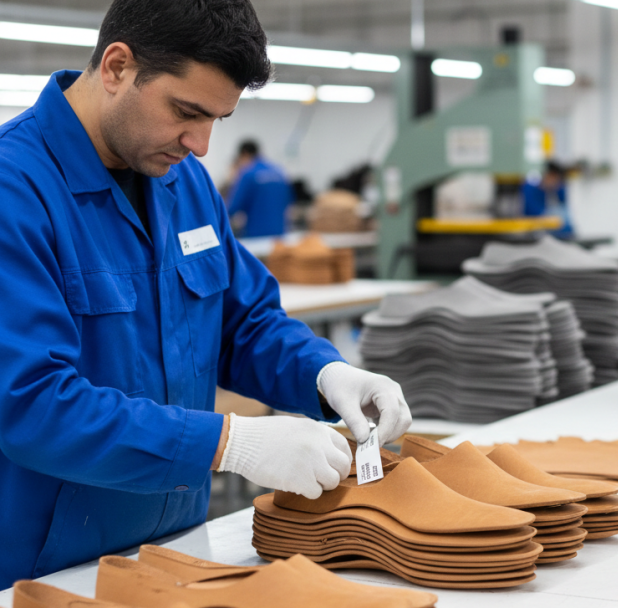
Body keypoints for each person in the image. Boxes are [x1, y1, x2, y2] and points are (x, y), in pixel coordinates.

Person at [0, 0, 411, 588]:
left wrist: (326, 375)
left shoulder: (181, 181)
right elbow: (31, 405)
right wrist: (229, 442)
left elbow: (244, 324)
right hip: (47, 572)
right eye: (187, 112)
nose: (201, 145)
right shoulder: (14, 190)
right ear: (116, 67)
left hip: (178, 551)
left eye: (218, 118)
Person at [227, 140, 292, 237]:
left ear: (244, 153)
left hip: (256, 235)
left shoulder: (248, 173)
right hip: (279, 235)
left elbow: (233, 207)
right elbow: (289, 201)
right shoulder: (279, 172)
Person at [522, 161, 574, 237]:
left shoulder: (559, 190)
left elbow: (566, 215)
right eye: (555, 178)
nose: (556, 183)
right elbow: (534, 213)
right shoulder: (530, 189)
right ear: (547, 175)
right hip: (533, 232)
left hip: (560, 235)